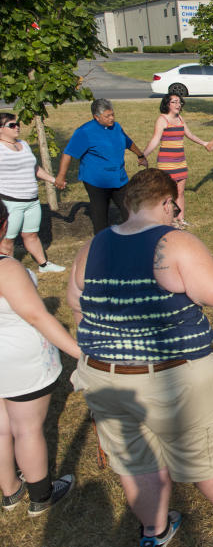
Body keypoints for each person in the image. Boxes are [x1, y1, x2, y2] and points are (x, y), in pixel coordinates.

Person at [65, 168, 213, 546]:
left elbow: (75, 304)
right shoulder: (173, 243)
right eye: (174, 209)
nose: (176, 215)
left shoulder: (92, 246)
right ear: (166, 202)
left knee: (135, 461)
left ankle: (155, 531)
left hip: (102, 376)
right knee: (203, 453)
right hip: (170, 377)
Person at [0, 200, 81, 517]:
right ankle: (41, 495)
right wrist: (79, 353)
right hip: (21, 362)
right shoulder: (6, 268)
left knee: (2, 429)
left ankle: (9, 491)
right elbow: (37, 316)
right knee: (27, 429)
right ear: (5, 225)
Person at [55, 99, 149, 233]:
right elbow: (68, 153)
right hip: (96, 181)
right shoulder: (85, 132)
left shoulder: (116, 127)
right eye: (107, 116)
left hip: (119, 178)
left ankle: (133, 237)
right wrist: (61, 176)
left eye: (112, 114)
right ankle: (101, 244)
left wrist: (140, 155)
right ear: (96, 117)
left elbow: (128, 142)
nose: (111, 118)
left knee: (130, 211)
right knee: (100, 216)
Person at [0, 113, 65, 272]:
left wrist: (53, 180)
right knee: (7, 240)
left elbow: (34, 168)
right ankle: (8, 271)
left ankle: (44, 265)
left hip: (32, 201)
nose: (17, 128)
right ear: (1, 129)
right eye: (12, 125)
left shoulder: (24, 144)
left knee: (31, 235)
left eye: (18, 124)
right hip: (10, 202)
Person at [141, 94, 208, 228]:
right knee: (168, 194)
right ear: (167, 104)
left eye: (179, 102)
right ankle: (169, 221)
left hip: (181, 162)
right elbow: (155, 140)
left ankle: (180, 219)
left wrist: (204, 143)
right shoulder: (162, 120)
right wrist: (143, 155)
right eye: (174, 102)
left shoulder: (180, 118)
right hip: (167, 163)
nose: (178, 105)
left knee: (180, 192)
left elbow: (190, 135)